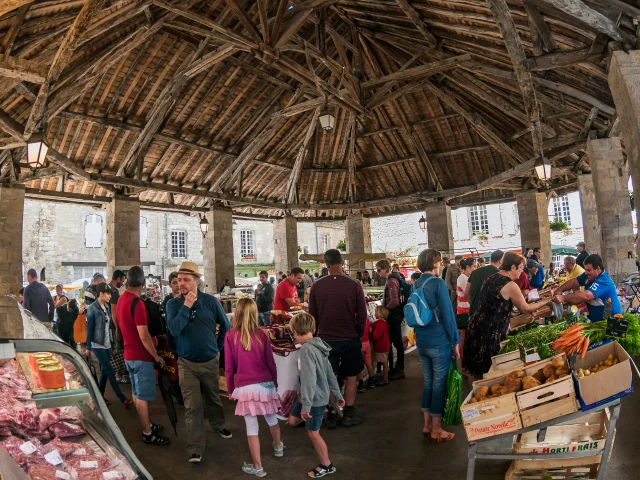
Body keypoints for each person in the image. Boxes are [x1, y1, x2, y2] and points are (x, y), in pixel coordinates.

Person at [165, 261, 231, 463]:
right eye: (178, 280)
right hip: (187, 364)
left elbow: (226, 326)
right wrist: (186, 307)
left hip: (210, 360)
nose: (181, 284)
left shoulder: (210, 302)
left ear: (196, 281)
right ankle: (195, 447)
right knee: (192, 406)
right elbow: (174, 330)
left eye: (186, 280)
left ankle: (218, 424)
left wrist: (217, 348)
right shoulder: (173, 305)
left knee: (213, 397)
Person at [464, 253, 552, 378]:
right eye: (521, 268)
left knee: (478, 372)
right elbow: (525, 308)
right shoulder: (510, 285)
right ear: (513, 267)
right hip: (491, 332)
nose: (522, 272)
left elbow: (495, 303)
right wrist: (547, 301)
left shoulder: (491, 278)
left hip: (477, 327)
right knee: (490, 373)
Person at [224, 298, 282, 477]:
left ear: (237, 313)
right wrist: (275, 383)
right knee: (272, 419)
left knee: (252, 428)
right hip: (265, 383)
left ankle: (258, 468)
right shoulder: (262, 334)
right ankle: (278, 447)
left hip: (245, 386)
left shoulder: (230, 335)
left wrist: (230, 389)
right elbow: (271, 363)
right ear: (255, 313)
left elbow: (229, 367)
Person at [309, 249, 366, 428]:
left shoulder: (317, 286)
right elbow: (362, 315)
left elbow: (312, 315)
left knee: (330, 377)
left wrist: (317, 333)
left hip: (326, 340)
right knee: (350, 376)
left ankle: (332, 413)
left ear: (326, 264)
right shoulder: (355, 284)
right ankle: (348, 412)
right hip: (349, 337)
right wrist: (358, 333)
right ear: (342, 262)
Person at [410, 249, 460, 441]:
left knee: (429, 383)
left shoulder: (415, 284)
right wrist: (455, 342)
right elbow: (448, 315)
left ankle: (427, 424)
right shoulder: (438, 283)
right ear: (435, 263)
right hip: (439, 342)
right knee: (439, 386)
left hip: (421, 341)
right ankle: (437, 428)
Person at [117, 266, 170, 446]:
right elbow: (144, 336)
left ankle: (147, 423)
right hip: (140, 355)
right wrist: (156, 356)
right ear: (143, 281)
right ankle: (147, 433)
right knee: (142, 396)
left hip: (128, 354)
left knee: (135, 392)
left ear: (127, 280)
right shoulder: (137, 303)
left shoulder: (122, 299)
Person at [287, 313, 344, 478]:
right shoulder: (319, 345)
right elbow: (330, 374)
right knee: (292, 421)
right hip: (311, 397)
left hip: (313, 399)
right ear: (313, 329)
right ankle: (319, 413)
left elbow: (308, 380)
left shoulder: (306, 350)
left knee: (313, 433)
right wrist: (338, 394)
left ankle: (326, 465)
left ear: (296, 333)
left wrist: (306, 406)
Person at [85, 283, 133, 408]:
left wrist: (112, 342)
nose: (110, 296)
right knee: (110, 370)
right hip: (97, 344)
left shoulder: (106, 306)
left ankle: (99, 397)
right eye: (108, 293)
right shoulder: (92, 308)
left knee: (105, 372)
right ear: (101, 293)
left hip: (107, 344)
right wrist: (88, 347)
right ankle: (122, 398)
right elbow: (89, 329)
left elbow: (108, 327)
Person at [552, 254, 621, 321]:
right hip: (595, 318)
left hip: (609, 319)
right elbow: (574, 282)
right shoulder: (588, 275)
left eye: (589, 270)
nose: (586, 272)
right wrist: (559, 290)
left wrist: (563, 298)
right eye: (586, 269)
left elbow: (586, 296)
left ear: (598, 269)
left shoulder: (604, 281)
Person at [375, 259, 406, 380]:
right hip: (395, 315)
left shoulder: (392, 281)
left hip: (393, 316)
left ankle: (398, 369)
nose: (378, 273)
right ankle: (395, 368)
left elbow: (394, 300)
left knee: (396, 343)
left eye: (379, 270)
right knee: (396, 342)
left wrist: (384, 310)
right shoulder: (394, 279)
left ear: (385, 268)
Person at [466, 250, 504, 318]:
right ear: (500, 261)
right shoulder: (500, 274)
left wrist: (472, 303)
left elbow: (466, 292)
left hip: (474, 311)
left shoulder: (475, 272)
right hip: (490, 315)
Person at [107, 270, 128, 384]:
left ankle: (117, 374)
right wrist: (117, 329)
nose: (123, 283)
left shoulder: (106, 287)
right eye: (123, 280)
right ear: (118, 278)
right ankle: (118, 374)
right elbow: (114, 311)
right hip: (112, 325)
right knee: (117, 349)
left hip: (106, 324)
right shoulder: (114, 291)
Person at [456, 258, 475, 367]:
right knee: (463, 339)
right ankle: (463, 364)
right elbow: (470, 293)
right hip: (464, 311)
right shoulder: (463, 278)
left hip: (465, 310)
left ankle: (465, 363)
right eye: (473, 266)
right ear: (467, 267)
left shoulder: (465, 277)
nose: (474, 269)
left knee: (465, 337)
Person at [370, 305, 391, 386]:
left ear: (380, 314)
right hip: (385, 346)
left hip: (380, 347)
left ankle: (385, 379)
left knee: (383, 363)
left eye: (376, 311)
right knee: (385, 362)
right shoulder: (384, 323)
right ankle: (384, 377)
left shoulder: (379, 324)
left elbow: (375, 336)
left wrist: (370, 332)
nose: (374, 313)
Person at [356, 310, 374, 392]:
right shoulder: (367, 319)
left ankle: (361, 383)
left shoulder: (355, 320)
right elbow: (370, 330)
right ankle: (371, 380)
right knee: (368, 363)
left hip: (359, 344)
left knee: (359, 365)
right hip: (367, 343)